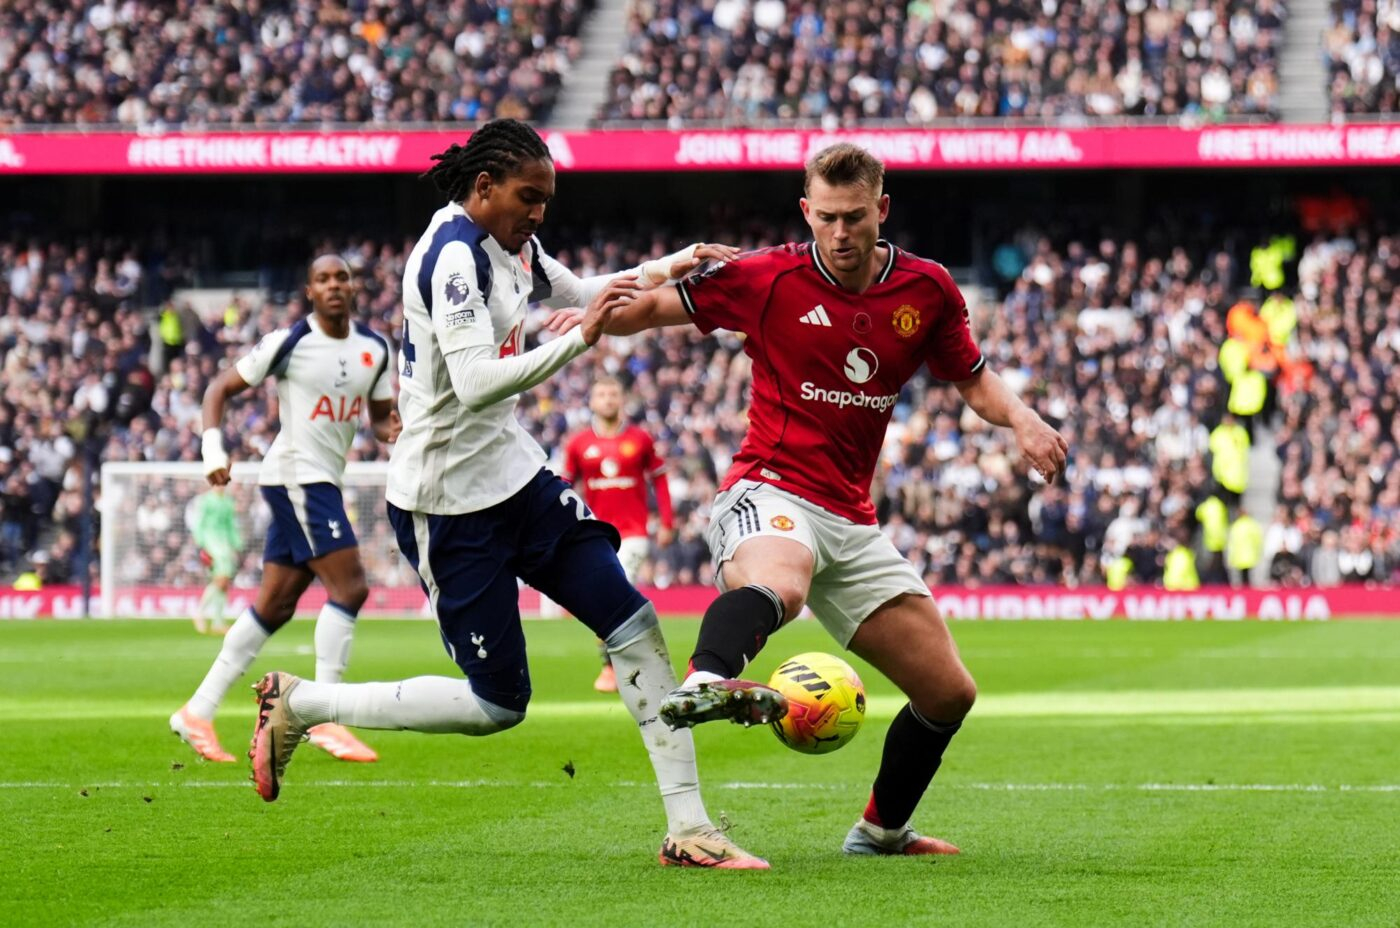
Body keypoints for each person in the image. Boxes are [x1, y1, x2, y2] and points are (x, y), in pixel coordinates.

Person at [245, 119, 766, 869]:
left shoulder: (512, 243)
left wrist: (672, 265)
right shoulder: (453, 256)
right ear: (484, 186)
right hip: (447, 502)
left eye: (547, 200)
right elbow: (475, 382)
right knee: (497, 704)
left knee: (633, 622)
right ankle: (304, 703)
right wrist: (580, 339)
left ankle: (689, 830)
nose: (540, 213)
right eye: (530, 197)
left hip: (516, 477)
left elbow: (583, 293)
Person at [604, 143, 1068, 857]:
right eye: (826, 218)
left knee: (948, 692)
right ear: (806, 212)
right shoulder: (767, 275)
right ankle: (706, 682)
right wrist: (596, 306)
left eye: (855, 217)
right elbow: (644, 312)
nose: (840, 233)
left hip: (851, 518)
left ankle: (881, 832)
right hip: (768, 487)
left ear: (882, 210)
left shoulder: (927, 289)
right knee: (782, 585)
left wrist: (1024, 420)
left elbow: (972, 378)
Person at [169, 255, 399, 766]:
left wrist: (398, 431)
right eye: (323, 279)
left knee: (274, 606)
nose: (334, 285)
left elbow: (382, 419)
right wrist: (212, 448)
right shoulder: (289, 342)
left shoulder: (375, 349)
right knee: (350, 588)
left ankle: (197, 711)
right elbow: (218, 389)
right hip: (297, 475)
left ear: (354, 287)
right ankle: (325, 715)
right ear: (309, 291)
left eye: (342, 277)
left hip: (321, 479)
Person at [562, 375, 675, 692]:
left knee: (614, 591)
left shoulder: (640, 439)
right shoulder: (579, 444)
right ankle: (624, 662)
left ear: (622, 399)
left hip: (633, 532)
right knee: (607, 598)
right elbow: (564, 486)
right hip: (596, 533)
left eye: (613, 394)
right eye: (602, 394)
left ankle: (612, 668)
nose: (608, 399)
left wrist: (667, 522)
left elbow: (660, 480)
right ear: (592, 401)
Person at [189, 485, 243, 634]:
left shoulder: (228, 502)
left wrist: (237, 543)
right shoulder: (205, 500)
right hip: (211, 542)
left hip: (225, 543)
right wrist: (200, 543)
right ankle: (199, 612)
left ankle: (218, 622)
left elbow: (230, 525)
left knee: (224, 583)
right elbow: (199, 523)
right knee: (222, 577)